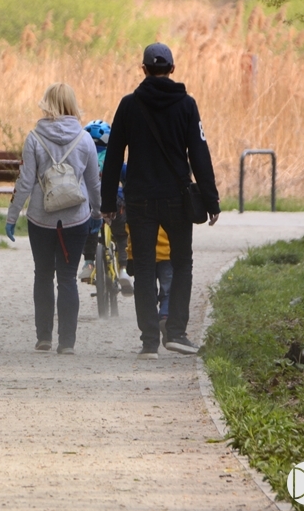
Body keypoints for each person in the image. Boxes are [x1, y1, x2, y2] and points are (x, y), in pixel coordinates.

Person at [101, 42, 221, 361]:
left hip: (139, 199)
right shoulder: (186, 105)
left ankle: (149, 342)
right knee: (182, 263)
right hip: (176, 199)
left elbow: (113, 156)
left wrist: (108, 202)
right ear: (172, 69)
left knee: (143, 266)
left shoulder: (129, 105)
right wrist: (211, 200)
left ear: (143, 69)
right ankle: (177, 332)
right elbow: (200, 154)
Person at [5, 83, 102, 355]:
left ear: (46, 103)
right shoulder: (85, 139)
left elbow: (25, 182)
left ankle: (44, 337)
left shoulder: (34, 138)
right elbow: (93, 183)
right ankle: (67, 342)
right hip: (76, 218)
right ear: (72, 104)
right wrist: (96, 213)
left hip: (41, 219)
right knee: (68, 278)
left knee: (43, 275)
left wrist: (12, 216)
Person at [79, 119, 132, 293]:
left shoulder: (82, 157)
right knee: (122, 236)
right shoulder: (114, 157)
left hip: (89, 203)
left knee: (91, 232)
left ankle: (88, 263)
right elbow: (127, 177)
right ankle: (123, 269)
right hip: (115, 203)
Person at [126, 226, 173, 338]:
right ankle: (165, 316)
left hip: (143, 254)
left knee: (147, 291)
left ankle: (150, 330)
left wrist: (130, 256)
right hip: (168, 252)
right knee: (169, 290)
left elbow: (131, 230)